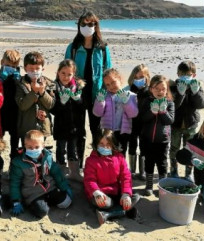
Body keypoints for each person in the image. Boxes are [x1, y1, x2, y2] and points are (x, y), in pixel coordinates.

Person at [65, 11, 112, 168]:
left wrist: (104, 93)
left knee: (96, 129)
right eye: (83, 24)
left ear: (96, 25)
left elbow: (108, 73)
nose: (87, 27)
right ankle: (78, 165)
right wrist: (74, 84)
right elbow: (65, 72)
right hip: (77, 95)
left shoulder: (103, 49)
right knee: (78, 131)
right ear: (79, 26)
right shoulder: (73, 48)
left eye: (91, 24)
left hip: (96, 97)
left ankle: (97, 161)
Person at [9, 130, 72, 218]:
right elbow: (15, 183)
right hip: (33, 193)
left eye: (36, 147)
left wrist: (65, 187)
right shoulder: (18, 163)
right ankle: (32, 203)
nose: (33, 149)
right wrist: (16, 201)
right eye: (30, 147)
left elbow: (57, 173)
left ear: (43, 146)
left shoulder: (47, 157)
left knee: (66, 202)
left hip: (50, 188)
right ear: (25, 146)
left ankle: (46, 201)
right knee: (42, 212)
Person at [83, 129, 140, 225]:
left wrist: (125, 194)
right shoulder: (91, 160)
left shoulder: (120, 158)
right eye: (101, 144)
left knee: (136, 197)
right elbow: (89, 180)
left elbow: (126, 176)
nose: (104, 147)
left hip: (116, 191)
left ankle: (109, 214)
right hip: (100, 194)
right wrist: (96, 193)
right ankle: (123, 211)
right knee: (107, 204)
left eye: (108, 144)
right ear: (96, 144)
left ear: (113, 145)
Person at [137, 75, 175, 196]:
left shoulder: (169, 103)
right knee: (149, 162)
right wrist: (152, 112)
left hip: (163, 140)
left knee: (162, 163)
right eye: (156, 88)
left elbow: (169, 121)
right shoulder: (147, 101)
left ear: (166, 89)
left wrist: (163, 112)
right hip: (147, 139)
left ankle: (162, 186)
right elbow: (142, 118)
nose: (160, 91)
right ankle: (148, 186)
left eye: (163, 89)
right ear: (151, 89)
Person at [169, 60, 204, 181]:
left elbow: (201, 104)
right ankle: (173, 170)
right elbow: (173, 106)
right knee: (174, 148)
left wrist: (195, 92)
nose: (185, 77)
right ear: (178, 74)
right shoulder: (173, 86)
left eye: (188, 74)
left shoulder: (197, 86)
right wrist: (180, 93)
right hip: (176, 125)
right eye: (182, 74)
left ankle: (188, 173)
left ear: (194, 75)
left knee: (190, 149)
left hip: (191, 125)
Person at [50, 59, 86, 182]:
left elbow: (83, 107)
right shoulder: (54, 87)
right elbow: (53, 110)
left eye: (69, 74)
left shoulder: (78, 87)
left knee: (73, 149)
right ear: (58, 72)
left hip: (74, 126)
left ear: (73, 74)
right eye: (63, 73)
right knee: (60, 149)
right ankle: (61, 172)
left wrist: (78, 100)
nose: (66, 77)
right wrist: (62, 103)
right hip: (60, 126)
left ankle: (74, 172)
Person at [93, 68, 138, 155]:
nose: (111, 86)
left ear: (120, 79)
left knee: (121, 154)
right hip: (108, 131)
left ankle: (120, 168)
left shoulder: (130, 95)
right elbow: (97, 113)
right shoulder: (104, 96)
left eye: (113, 82)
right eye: (108, 85)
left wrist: (126, 101)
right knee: (107, 153)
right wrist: (100, 101)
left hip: (123, 131)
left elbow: (133, 114)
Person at [15, 51, 55, 142]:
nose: (34, 71)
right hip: (26, 127)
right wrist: (33, 92)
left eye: (37, 68)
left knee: (42, 152)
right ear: (25, 68)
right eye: (31, 69)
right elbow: (22, 105)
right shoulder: (20, 84)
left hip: (43, 126)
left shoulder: (49, 83)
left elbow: (51, 105)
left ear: (42, 69)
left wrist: (42, 92)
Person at [125, 64, 151, 180]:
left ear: (147, 77)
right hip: (132, 123)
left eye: (141, 77)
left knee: (144, 147)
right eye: (136, 77)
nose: (139, 80)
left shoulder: (150, 91)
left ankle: (143, 171)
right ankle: (132, 170)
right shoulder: (128, 89)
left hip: (145, 124)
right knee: (132, 146)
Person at [0, 50, 22, 161]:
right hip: (0, 113)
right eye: (7, 65)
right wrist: (1, 79)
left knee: (15, 143)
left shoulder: (18, 77)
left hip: (15, 114)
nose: (10, 68)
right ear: (2, 62)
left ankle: (14, 165)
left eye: (14, 66)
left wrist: (18, 81)